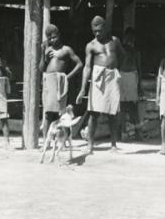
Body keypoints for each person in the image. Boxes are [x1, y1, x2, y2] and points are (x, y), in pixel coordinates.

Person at [76, 15, 124, 154]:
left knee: (113, 112)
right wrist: (82, 89)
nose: (97, 33)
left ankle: (113, 145)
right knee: (94, 112)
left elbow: (122, 55)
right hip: (98, 77)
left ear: (105, 28)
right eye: (94, 31)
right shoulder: (91, 45)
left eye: (100, 30)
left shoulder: (115, 41)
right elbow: (87, 67)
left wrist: (116, 70)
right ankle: (90, 145)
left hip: (112, 76)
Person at [39, 23, 83, 141]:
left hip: (60, 82)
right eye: (50, 39)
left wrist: (67, 77)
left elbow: (79, 64)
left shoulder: (66, 50)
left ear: (59, 35)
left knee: (61, 113)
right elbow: (41, 68)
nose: (52, 40)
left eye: (54, 37)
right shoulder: (48, 50)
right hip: (48, 81)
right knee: (48, 112)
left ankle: (63, 142)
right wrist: (44, 55)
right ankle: (45, 141)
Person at [119, 26, 144, 140]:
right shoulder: (121, 50)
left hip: (132, 77)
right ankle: (124, 133)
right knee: (123, 107)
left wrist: (139, 85)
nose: (130, 40)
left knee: (133, 106)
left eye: (132, 38)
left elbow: (139, 69)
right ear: (124, 38)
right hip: (122, 76)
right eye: (128, 37)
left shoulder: (136, 52)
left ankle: (138, 132)